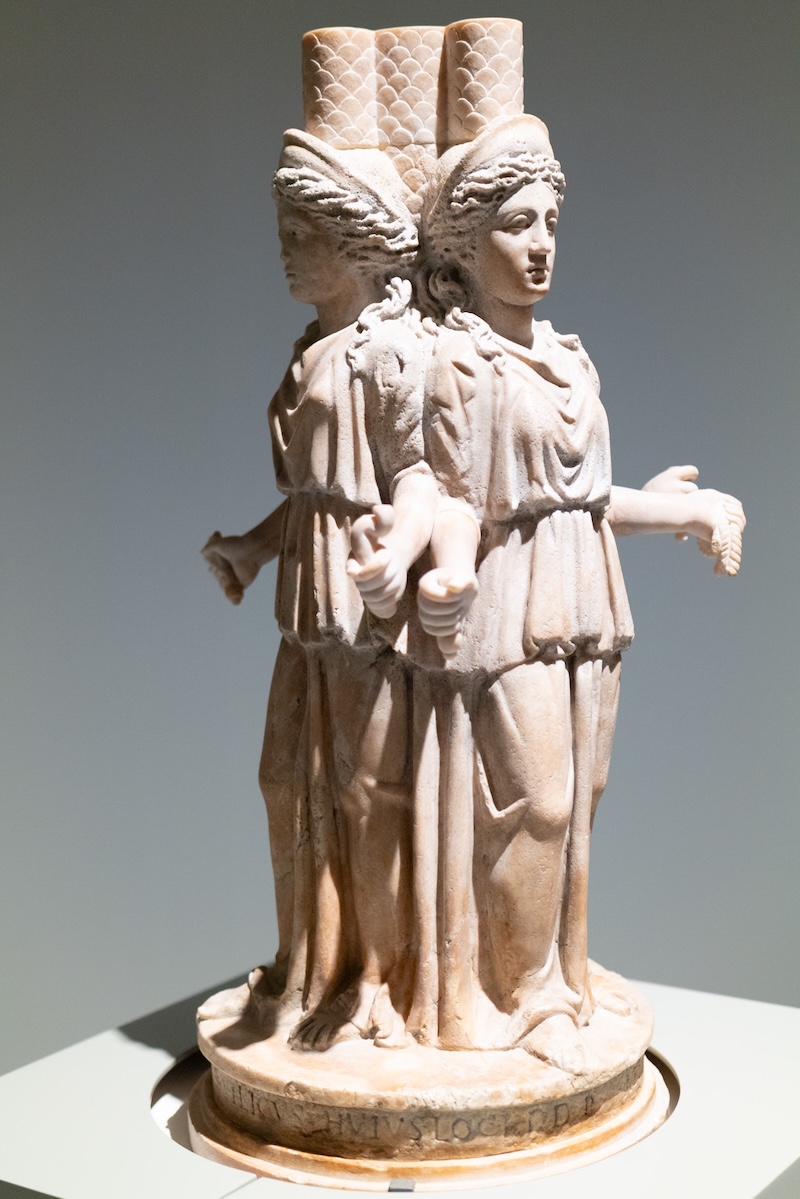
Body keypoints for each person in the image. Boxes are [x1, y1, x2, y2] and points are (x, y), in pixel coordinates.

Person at [372, 113, 745, 1070]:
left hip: (588, 603)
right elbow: (443, 495)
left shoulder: (572, 358)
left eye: (549, 222)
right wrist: (437, 574)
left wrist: (685, 511)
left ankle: (553, 978)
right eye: (516, 225)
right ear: (464, 246)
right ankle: (525, 997)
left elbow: (587, 500)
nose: (540, 244)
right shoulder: (458, 365)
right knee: (534, 801)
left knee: (579, 801)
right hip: (506, 611)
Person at [200, 129, 439, 1049]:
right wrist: (254, 550)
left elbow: (420, 478)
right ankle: (310, 959)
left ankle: (375, 979)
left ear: (355, 242)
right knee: (285, 782)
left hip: (366, 615)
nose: (287, 249)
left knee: (368, 796)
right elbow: (311, 498)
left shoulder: (388, 353)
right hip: (304, 613)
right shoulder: (311, 350)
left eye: (303, 233)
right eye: (285, 231)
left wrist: (400, 551)